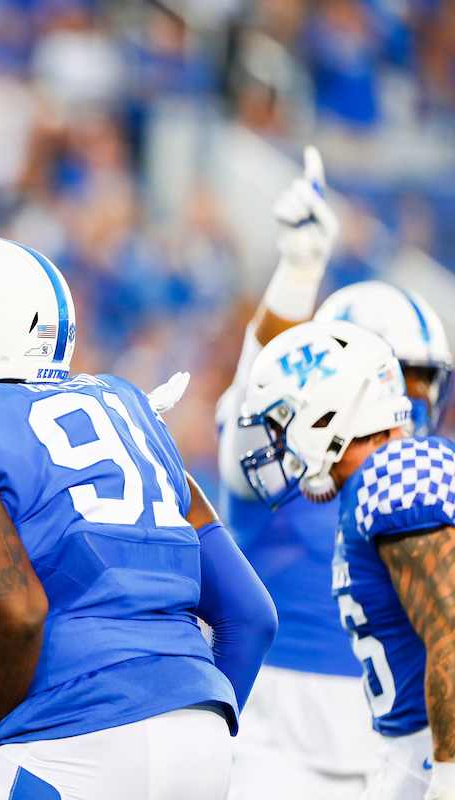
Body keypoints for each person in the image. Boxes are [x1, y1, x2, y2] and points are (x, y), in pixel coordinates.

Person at [0, 236, 278, 799]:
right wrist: (181, 725)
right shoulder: (127, 408)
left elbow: (15, 611)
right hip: (202, 738)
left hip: (69, 739)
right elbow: (250, 614)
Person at [216, 147, 453, 800]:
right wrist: (298, 274)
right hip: (274, 739)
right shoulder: (283, 457)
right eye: (394, 374)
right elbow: (249, 413)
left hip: (401, 742)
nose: (408, 399)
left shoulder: (421, 478)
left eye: (420, 379)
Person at [237, 319, 455, 800]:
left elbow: (452, 630)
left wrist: (447, 774)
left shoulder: (398, 472)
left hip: (429, 758)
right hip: (408, 758)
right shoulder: (378, 482)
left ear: (323, 415)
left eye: (281, 423)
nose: (276, 445)